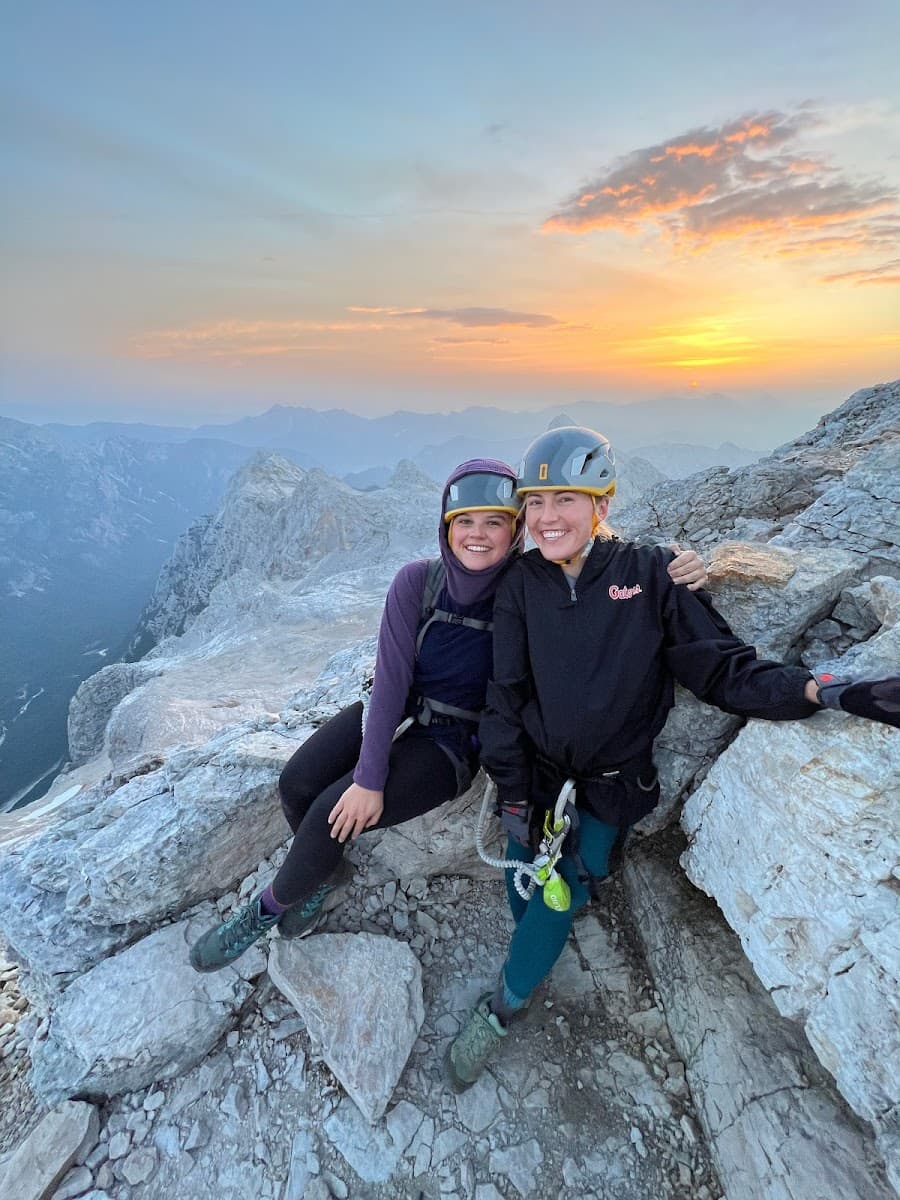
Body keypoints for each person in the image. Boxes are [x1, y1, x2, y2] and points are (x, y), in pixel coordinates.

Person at [444, 425, 900, 1091]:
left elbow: (721, 670)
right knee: (531, 890)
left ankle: (504, 1007)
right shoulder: (521, 584)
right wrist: (514, 795)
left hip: (611, 786)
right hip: (539, 778)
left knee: (557, 894)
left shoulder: (652, 574)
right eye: (536, 503)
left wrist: (820, 690)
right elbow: (506, 693)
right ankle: (549, 932)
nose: (546, 518)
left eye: (564, 500)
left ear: (602, 502)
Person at [190, 456, 707, 972]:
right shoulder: (418, 582)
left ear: (516, 530)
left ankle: (266, 909)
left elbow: (593, 563)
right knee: (297, 784)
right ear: (446, 526)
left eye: (494, 522)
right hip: (394, 710)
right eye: (464, 522)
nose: (477, 535)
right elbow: (391, 679)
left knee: (331, 814)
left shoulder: (528, 588)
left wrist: (678, 563)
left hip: (453, 746)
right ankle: (320, 876)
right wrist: (369, 777)